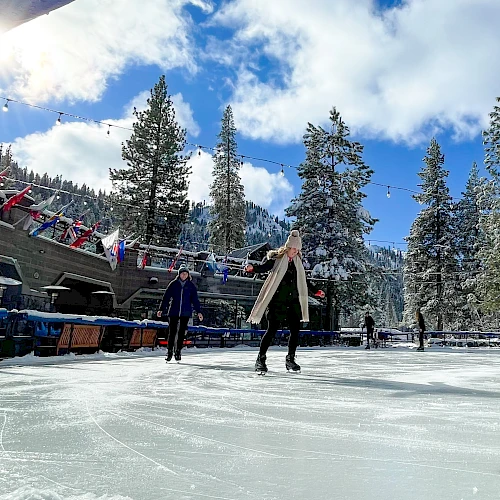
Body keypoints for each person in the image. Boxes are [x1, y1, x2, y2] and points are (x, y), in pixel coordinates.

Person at [244, 230, 324, 373]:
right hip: (277, 301)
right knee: (271, 331)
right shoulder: (277, 260)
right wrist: (253, 269)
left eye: (297, 249)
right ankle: (260, 359)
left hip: (293, 302)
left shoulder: (297, 263)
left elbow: (304, 281)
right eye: (294, 248)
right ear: (288, 247)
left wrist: (315, 291)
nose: (295, 251)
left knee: (295, 331)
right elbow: (264, 267)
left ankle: (290, 359)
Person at [157, 264, 203, 362]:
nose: (184, 275)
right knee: (172, 332)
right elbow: (166, 297)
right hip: (174, 310)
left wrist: (199, 312)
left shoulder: (191, 286)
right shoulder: (173, 284)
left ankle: (178, 351)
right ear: (179, 274)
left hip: (185, 312)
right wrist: (161, 309)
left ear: (188, 275)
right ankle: (169, 351)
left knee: (181, 333)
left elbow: (195, 300)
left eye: (186, 274)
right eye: (182, 274)